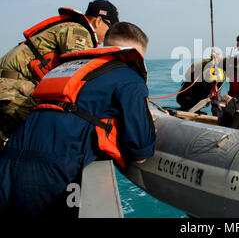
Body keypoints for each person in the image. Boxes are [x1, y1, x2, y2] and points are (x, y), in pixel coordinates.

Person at [0, 22, 156, 218]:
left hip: (9, 160)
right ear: (137, 54)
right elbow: (140, 151)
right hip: (51, 176)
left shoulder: (66, 68)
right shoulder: (129, 78)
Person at [0, 0, 119, 147]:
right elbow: (81, 74)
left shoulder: (69, 27)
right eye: (110, 28)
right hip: (12, 89)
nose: (108, 37)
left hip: (9, 88)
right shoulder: (79, 32)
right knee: (53, 130)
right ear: (99, 21)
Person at [178, 29, 239, 112]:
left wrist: (236, 100)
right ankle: (188, 107)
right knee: (212, 72)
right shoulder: (234, 61)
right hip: (232, 108)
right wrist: (197, 67)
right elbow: (211, 63)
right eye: (238, 39)